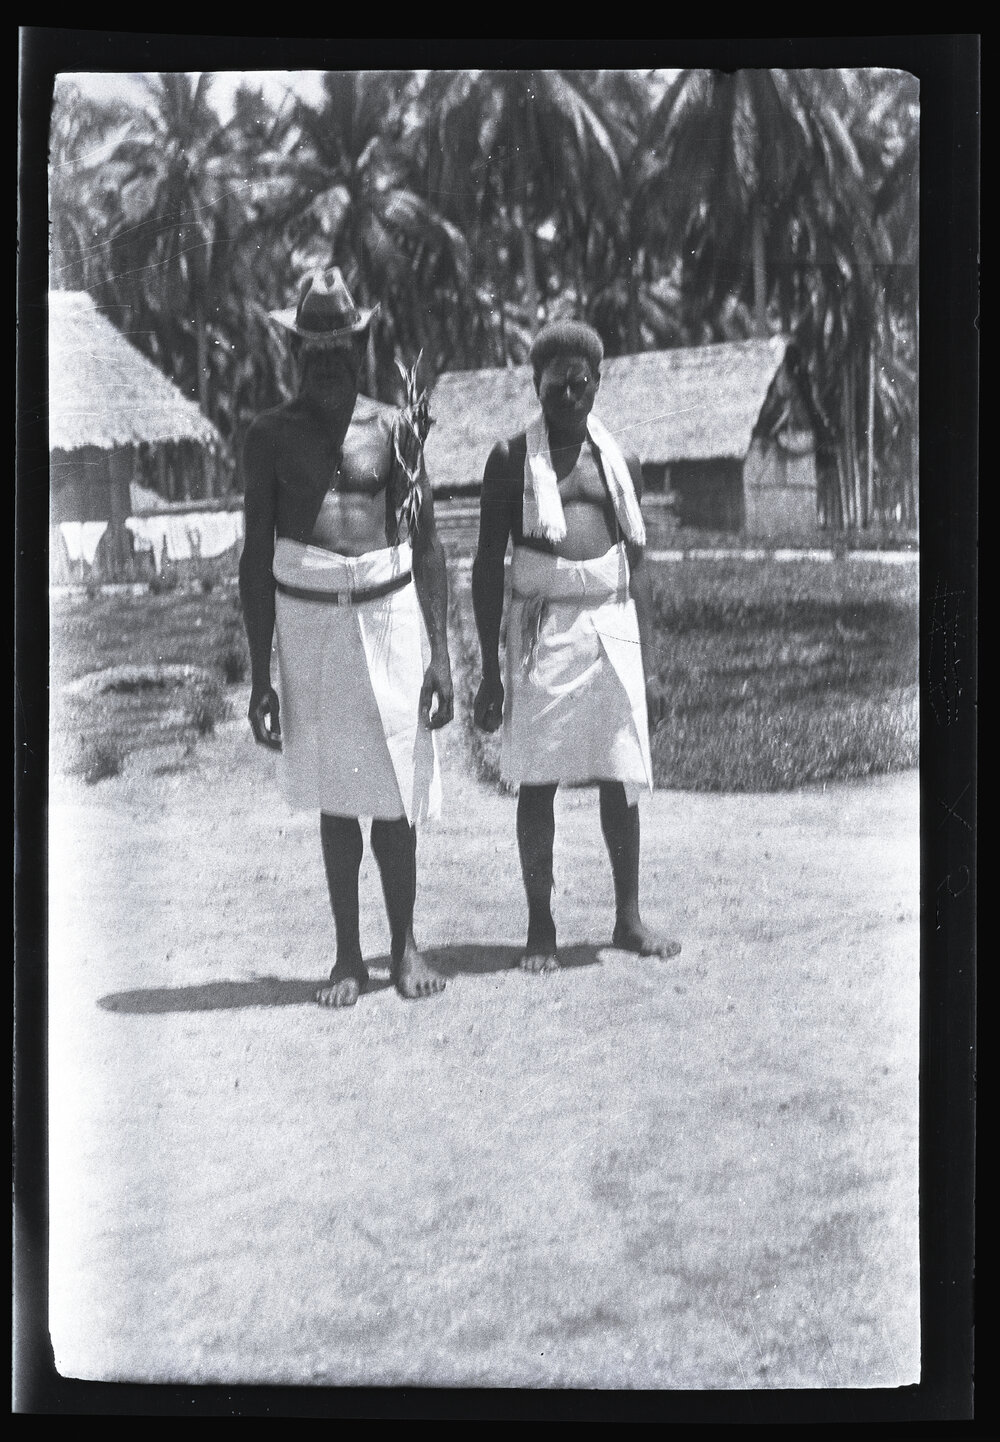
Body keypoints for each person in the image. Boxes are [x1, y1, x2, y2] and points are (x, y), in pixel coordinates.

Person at [239, 267, 453, 1006]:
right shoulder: (269, 437)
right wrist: (260, 677)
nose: (327, 362)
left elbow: (428, 544)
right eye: (314, 350)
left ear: (360, 349)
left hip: (390, 618)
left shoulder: (395, 428)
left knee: (394, 789)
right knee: (336, 797)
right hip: (309, 623)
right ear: (296, 353)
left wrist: (442, 658)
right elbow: (255, 559)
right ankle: (347, 956)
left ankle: (405, 945)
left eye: (340, 349)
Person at [472, 319, 681, 972]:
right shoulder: (511, 460)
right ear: (535, 385)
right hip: (544, 632)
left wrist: (650, 667)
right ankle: (541, 925)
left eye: (579, 383)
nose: (568, 395)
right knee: (538, 781)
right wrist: (490, 672)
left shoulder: (621, 464)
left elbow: (637, 566)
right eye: (555, 384)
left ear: (596, 384)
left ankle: (628, 917)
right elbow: (487, 566)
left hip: (611, 626)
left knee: (621, 776)